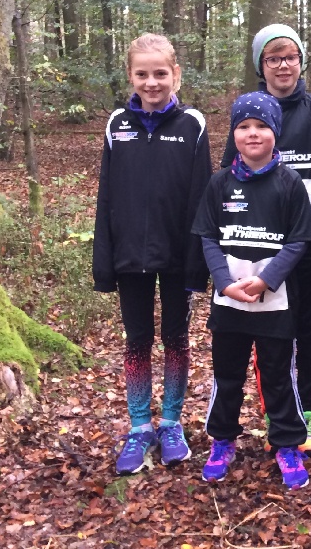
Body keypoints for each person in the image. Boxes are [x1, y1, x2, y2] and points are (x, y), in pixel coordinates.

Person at [92, 33, 212, 476]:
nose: (152, 81)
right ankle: (140, 425)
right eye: (142, 74)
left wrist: (198, 262)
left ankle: (172, 421)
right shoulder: (116, 124)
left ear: (176, 74)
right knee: (137, 339)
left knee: (176, 338)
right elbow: (106, 196)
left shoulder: (192, 125)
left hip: (177, 253)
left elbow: (203, 196)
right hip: (129, 256)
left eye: (160, 73)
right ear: (131, 76)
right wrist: (104, 260)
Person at [192, 92, 311, 490]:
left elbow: (299, 241)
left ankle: (286, 444)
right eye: (244, 126)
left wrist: (266, 280)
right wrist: (225, 283)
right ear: (234, 133)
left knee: (279, 377)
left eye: (262, 126)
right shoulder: (219, 182)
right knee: (227, 376)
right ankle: (223, 441)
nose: (252, 134)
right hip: (228, 305)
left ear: (275, 133)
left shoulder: (290, 183)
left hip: (275, 305)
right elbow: (208, 237)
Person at [220, 25, 311, 456]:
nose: (283, 64)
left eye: (289, 56)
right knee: (271, 336)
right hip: (262, 249)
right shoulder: (247, 113)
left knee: (310, 333)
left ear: (301, 60)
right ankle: (277, 413)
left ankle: (306, 412)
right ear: (260, 66)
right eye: (272, 58)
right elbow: (228, 180)